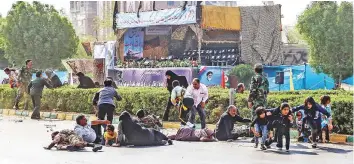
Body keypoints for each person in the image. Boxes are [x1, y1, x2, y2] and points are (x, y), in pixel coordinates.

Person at [248, 63, 269, 143]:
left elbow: (253, 90)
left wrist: (250, 101)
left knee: (255, 119)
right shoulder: (265, 78)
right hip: (263, 102)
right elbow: (267, 91)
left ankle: (255, 137)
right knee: (264, 118)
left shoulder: (254, 78)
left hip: (256, 103)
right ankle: (265, 137)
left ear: (255, 70)